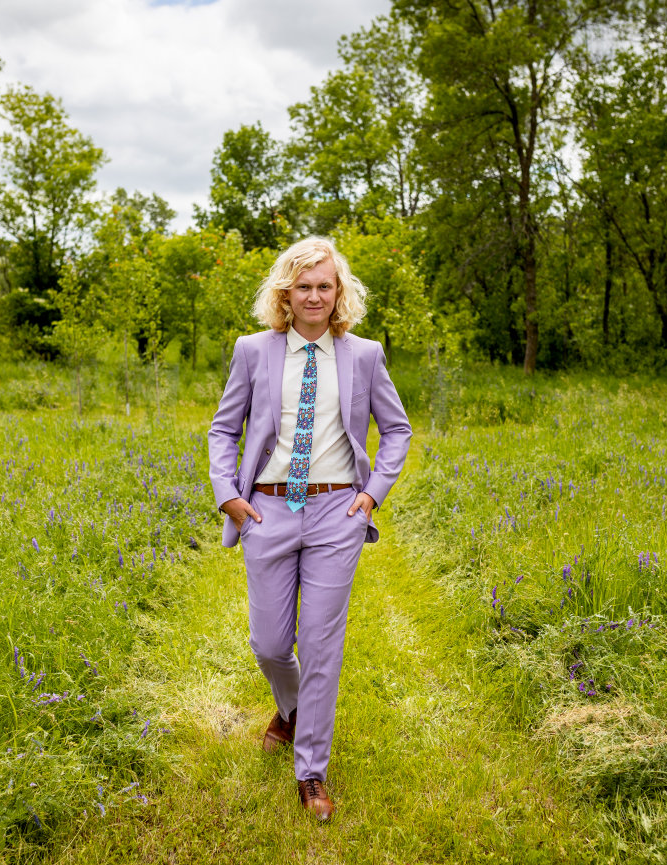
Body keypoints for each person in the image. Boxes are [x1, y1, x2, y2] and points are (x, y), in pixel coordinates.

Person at [207, 236, 412, 821]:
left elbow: (397, 429)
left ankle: (312, 771)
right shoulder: (254, 351)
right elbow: (224, 429)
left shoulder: (364, 355)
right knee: (270, 644)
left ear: (339, 292)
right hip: (268, 509)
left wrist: (371, 495)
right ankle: (292, 708)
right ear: (286, 294)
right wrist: (229, 495)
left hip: (335, 512)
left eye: (325, 285)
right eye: (304, 286)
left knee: (321, 644)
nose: (315, 296)